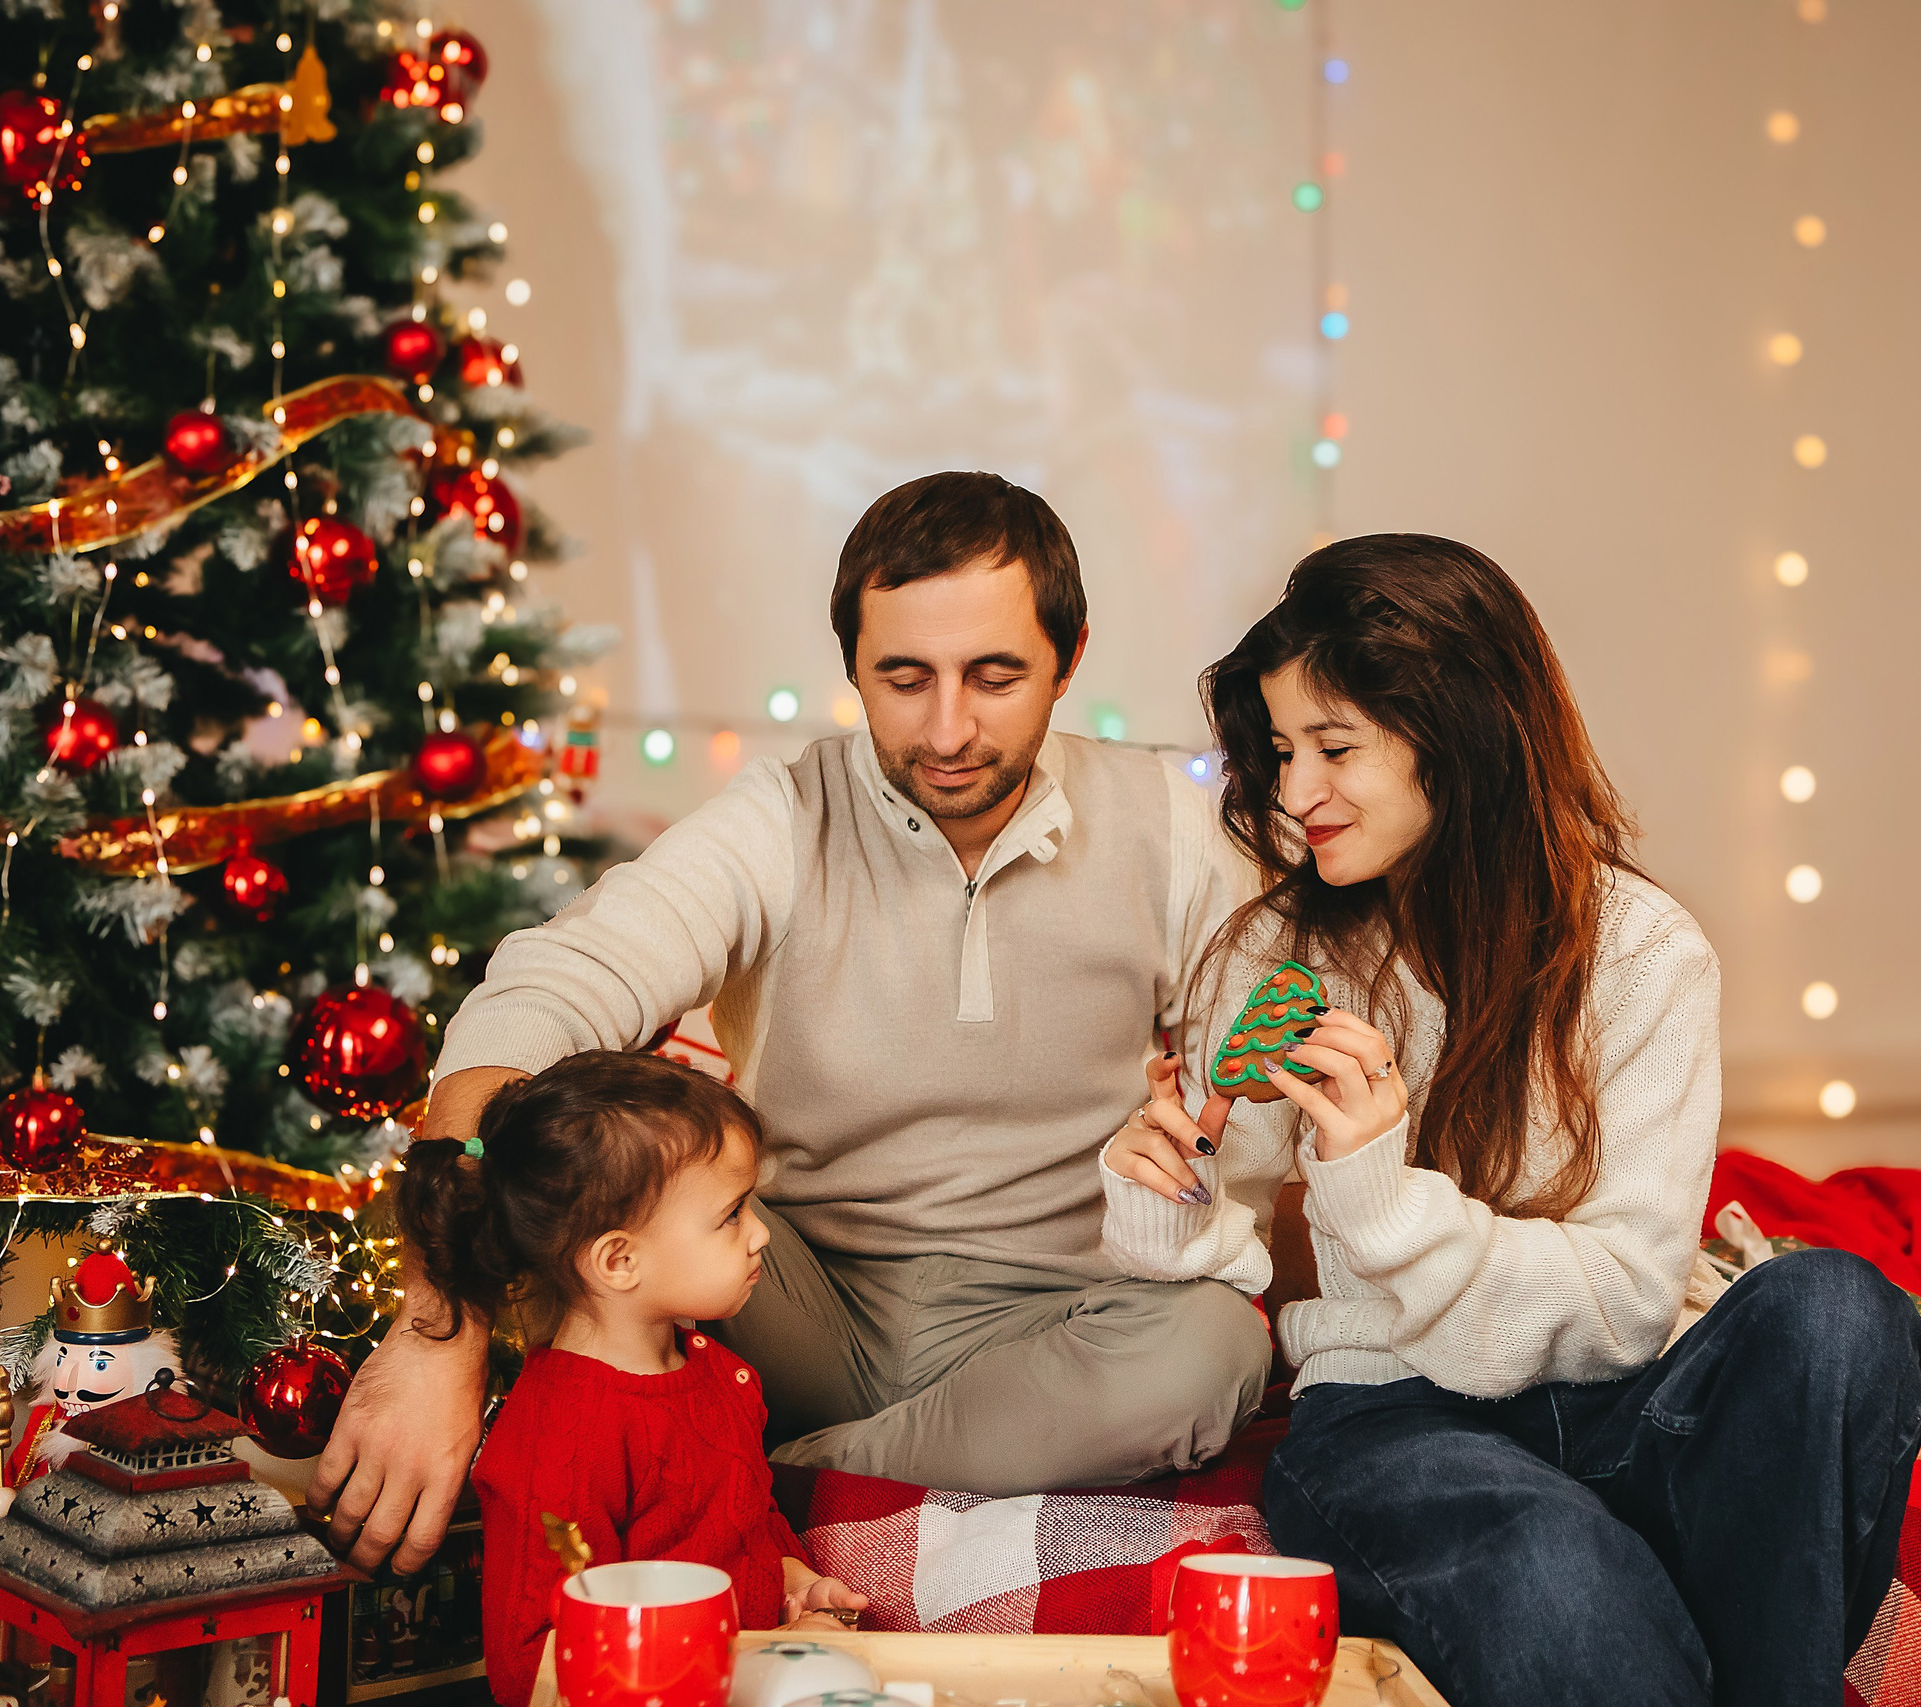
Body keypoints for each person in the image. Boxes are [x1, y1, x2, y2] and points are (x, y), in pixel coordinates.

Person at [314, 472, 1272, 1574]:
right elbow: (545, 992)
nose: (947, 729)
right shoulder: (781, 817)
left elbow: (1240, 1127)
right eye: (902, 679)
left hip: (1068, 1318)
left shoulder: (1171, 824)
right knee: (609, 1203)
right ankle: (884, 1448)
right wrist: (441, 1327)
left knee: (1213, 1350)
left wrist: (1188, 1170)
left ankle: (794, 1466)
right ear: (852, 665)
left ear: (1072, 655)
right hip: (788, 1298)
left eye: (995, 676)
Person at [1101, 535, 1921, 1707]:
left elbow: (1620, 1307)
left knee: (1842, 1309)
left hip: (1620, 1400)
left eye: (1334, 748)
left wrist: (1381, 1196)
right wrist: (1160, 1183)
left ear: (1462, 733)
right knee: (1555, 1568)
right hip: (1389, 1418)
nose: (1293, 794)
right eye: (1283, 752)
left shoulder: (1643, 955)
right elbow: (1213, 1227)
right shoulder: (1275, 954)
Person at [395, 1052, 868, 1707]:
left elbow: (743, 1523)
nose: (760, 1233)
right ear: (619, 1259)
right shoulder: (562, 1440)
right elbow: (532, 1668)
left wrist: (793, 1581)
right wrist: (755, 1661)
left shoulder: (712, 1369)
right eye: (730, 1214)